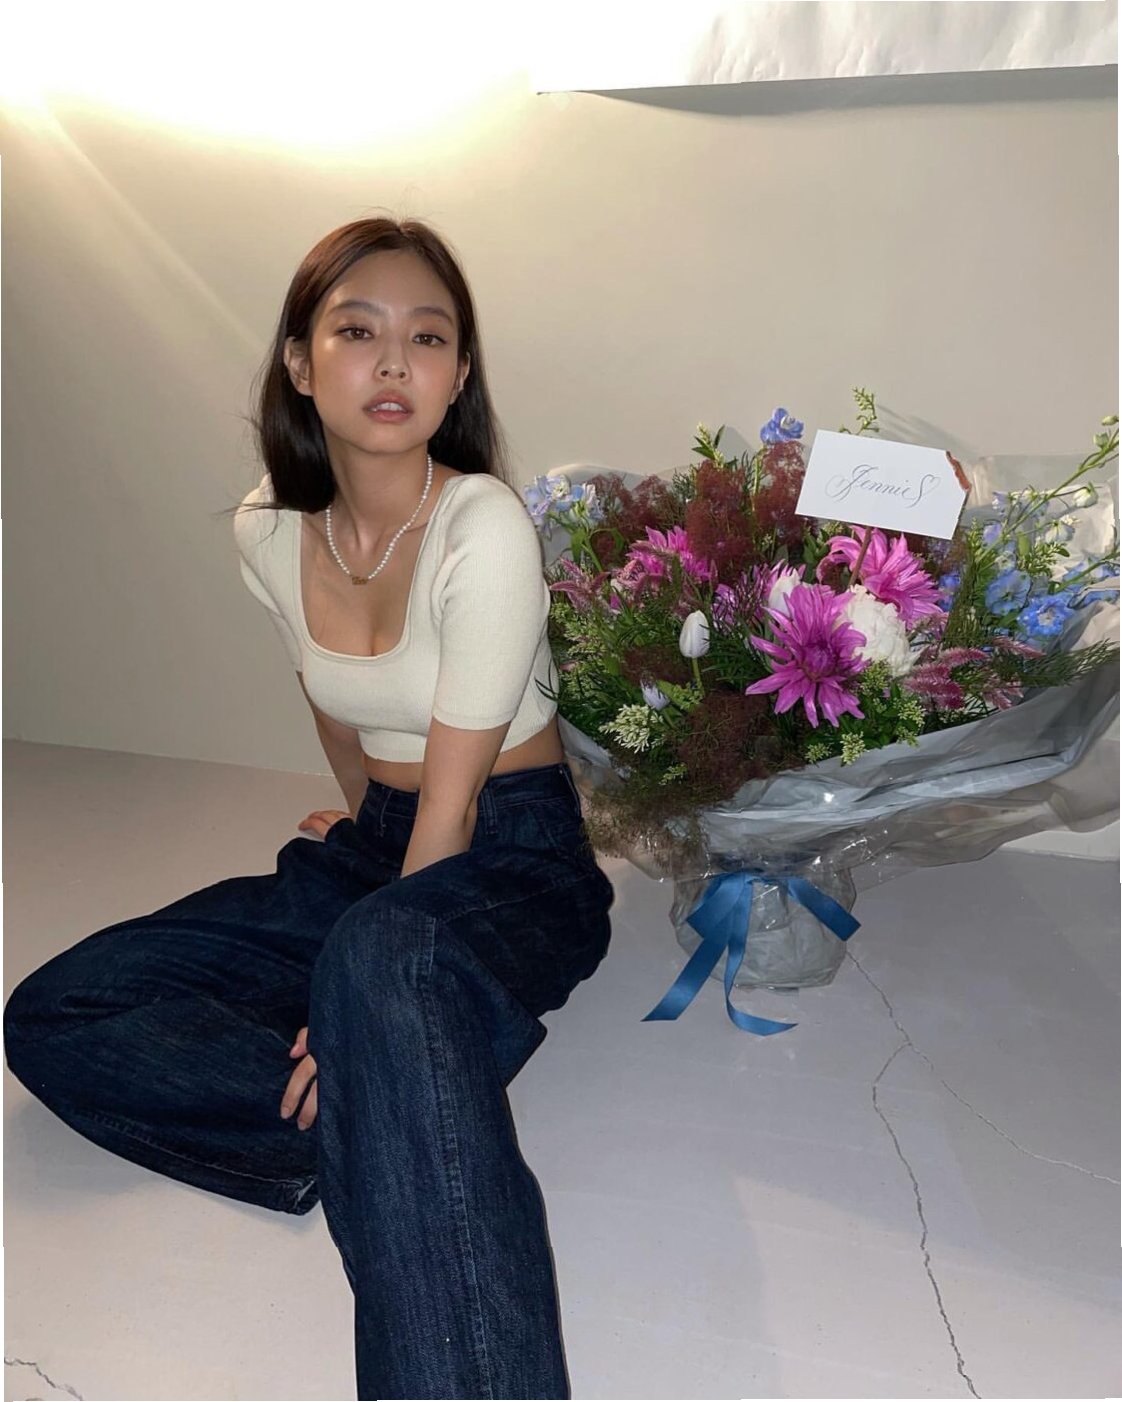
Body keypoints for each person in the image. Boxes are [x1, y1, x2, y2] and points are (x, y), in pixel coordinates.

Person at [3, 216, 616, 1400]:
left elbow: (451, 817)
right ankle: (392, 1099)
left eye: (427, 337)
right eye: (356, 330)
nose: (393, 362)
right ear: (299, 360)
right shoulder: (269, 530)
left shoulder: (485, 525)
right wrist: (357, 823)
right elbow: (331, 703)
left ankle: (390, 1073)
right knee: (56, 1010)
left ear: (458, 373)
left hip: (509, 857)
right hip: (383, 849)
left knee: (385, 960)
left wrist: (372, 947)